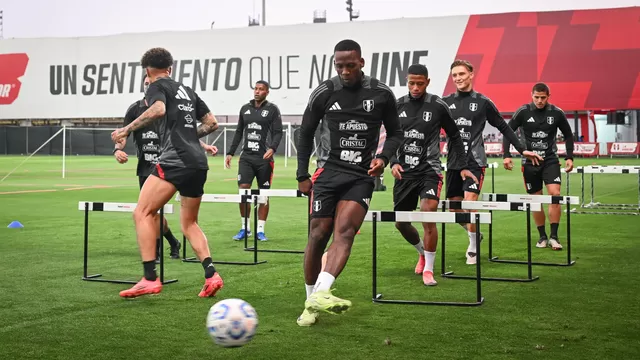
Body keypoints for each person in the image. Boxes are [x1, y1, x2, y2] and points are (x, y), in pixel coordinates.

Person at [295, 39, 402, 326]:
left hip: (361, 176)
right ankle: (311, 301)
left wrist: (384, 157)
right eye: (339, 66)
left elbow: (395, 133)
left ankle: (322, 291)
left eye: (350, 65)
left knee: (345, 231)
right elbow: (304, 133)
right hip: (327, 173)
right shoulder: (324, 92)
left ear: (362, 63)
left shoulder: (381, 94)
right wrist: (301, 174)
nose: (344, 71)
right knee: (318, 235)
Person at [110, 47, 223, 299]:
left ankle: (150, 278)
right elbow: (212, 123)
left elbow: (158, 109)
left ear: (148, 71)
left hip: (176, 160)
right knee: (189, 222)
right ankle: (211, 274)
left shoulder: (154, 86)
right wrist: (188, 137)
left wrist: (126, 130)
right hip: (197, 162)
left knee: (142, 212)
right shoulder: (187, 90)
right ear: (170, 68)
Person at [442, 59, 542, 265]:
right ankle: (475, 233)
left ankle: (472, 245)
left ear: (471, 74)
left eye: (461, 74)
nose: (458, 78)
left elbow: (504, 127)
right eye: (454, 75)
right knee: (454, 208)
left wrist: (522, 149)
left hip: (474, 162)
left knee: (469, 203)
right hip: (452, 162)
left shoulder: (483, 102)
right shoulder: (445, 103)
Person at [389, 64, 477, 286]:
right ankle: (421, 251)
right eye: (411, 83)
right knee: (401, 222)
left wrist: (463, 165)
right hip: (404, 174)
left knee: (428, 212)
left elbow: (455, 137)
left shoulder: (438, 105)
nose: (416, 87)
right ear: (406, 82)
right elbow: (391, 136)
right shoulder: (397, 105)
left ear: (428, 82)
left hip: (430, 171)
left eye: (420, 83)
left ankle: (429, 269)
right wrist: (393, 162)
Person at [114, 76, 219, 262]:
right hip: (147, 166)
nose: (149, 85)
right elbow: (123, 135)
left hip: (171, 162)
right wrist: (117, 149)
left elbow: (182, 135)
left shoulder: (169, 106)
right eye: (146, 83)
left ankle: (152, 261)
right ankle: (170, 242)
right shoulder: (135, 110)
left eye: (150, 82)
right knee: (152, 213)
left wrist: (203, 145)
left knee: (148, 213)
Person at [503, 82, 574, 250]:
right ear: (531, 95)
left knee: (555, 194)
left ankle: (554, 237)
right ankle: (542, 236)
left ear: (548, 97)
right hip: (529, 162)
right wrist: (506, 155)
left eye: (543, 98)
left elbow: (568, 135)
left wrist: (569, 157)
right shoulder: (523, 112)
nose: (540, 101)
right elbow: (507, 132)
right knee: (536, 200)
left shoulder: (556, 113)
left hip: (550, 160)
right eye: (537, 97)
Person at [225, 80, 283, 241]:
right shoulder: (245, 109)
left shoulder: (272, 110)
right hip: (246, 158)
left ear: (267, 92)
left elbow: (278, 132)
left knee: (263, 194)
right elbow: (238, 132)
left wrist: (272, 148)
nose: (257, 91)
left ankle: (260, 230)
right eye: (256, 89)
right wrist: (230, 152)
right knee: (243, 190)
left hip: (264, 159)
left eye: (261, 89)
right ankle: (245, 228)